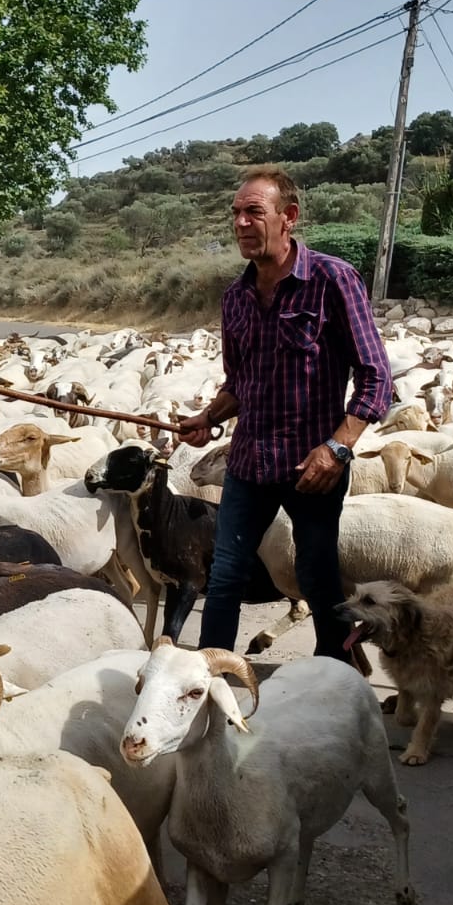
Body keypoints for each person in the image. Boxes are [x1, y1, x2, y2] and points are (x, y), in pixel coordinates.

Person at [176, 166, 392, 663]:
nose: (241, 224)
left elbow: (377, 377)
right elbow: (241, 384)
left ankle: (335, 679)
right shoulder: (234, 299)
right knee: (225, 572)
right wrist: (209, 417)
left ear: (288, 217)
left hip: (312, 468)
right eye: (236, 214)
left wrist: (337, 449)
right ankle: (212, 679)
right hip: (249, 464)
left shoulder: (332, 280)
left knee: (317, 576)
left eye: (254, 212)